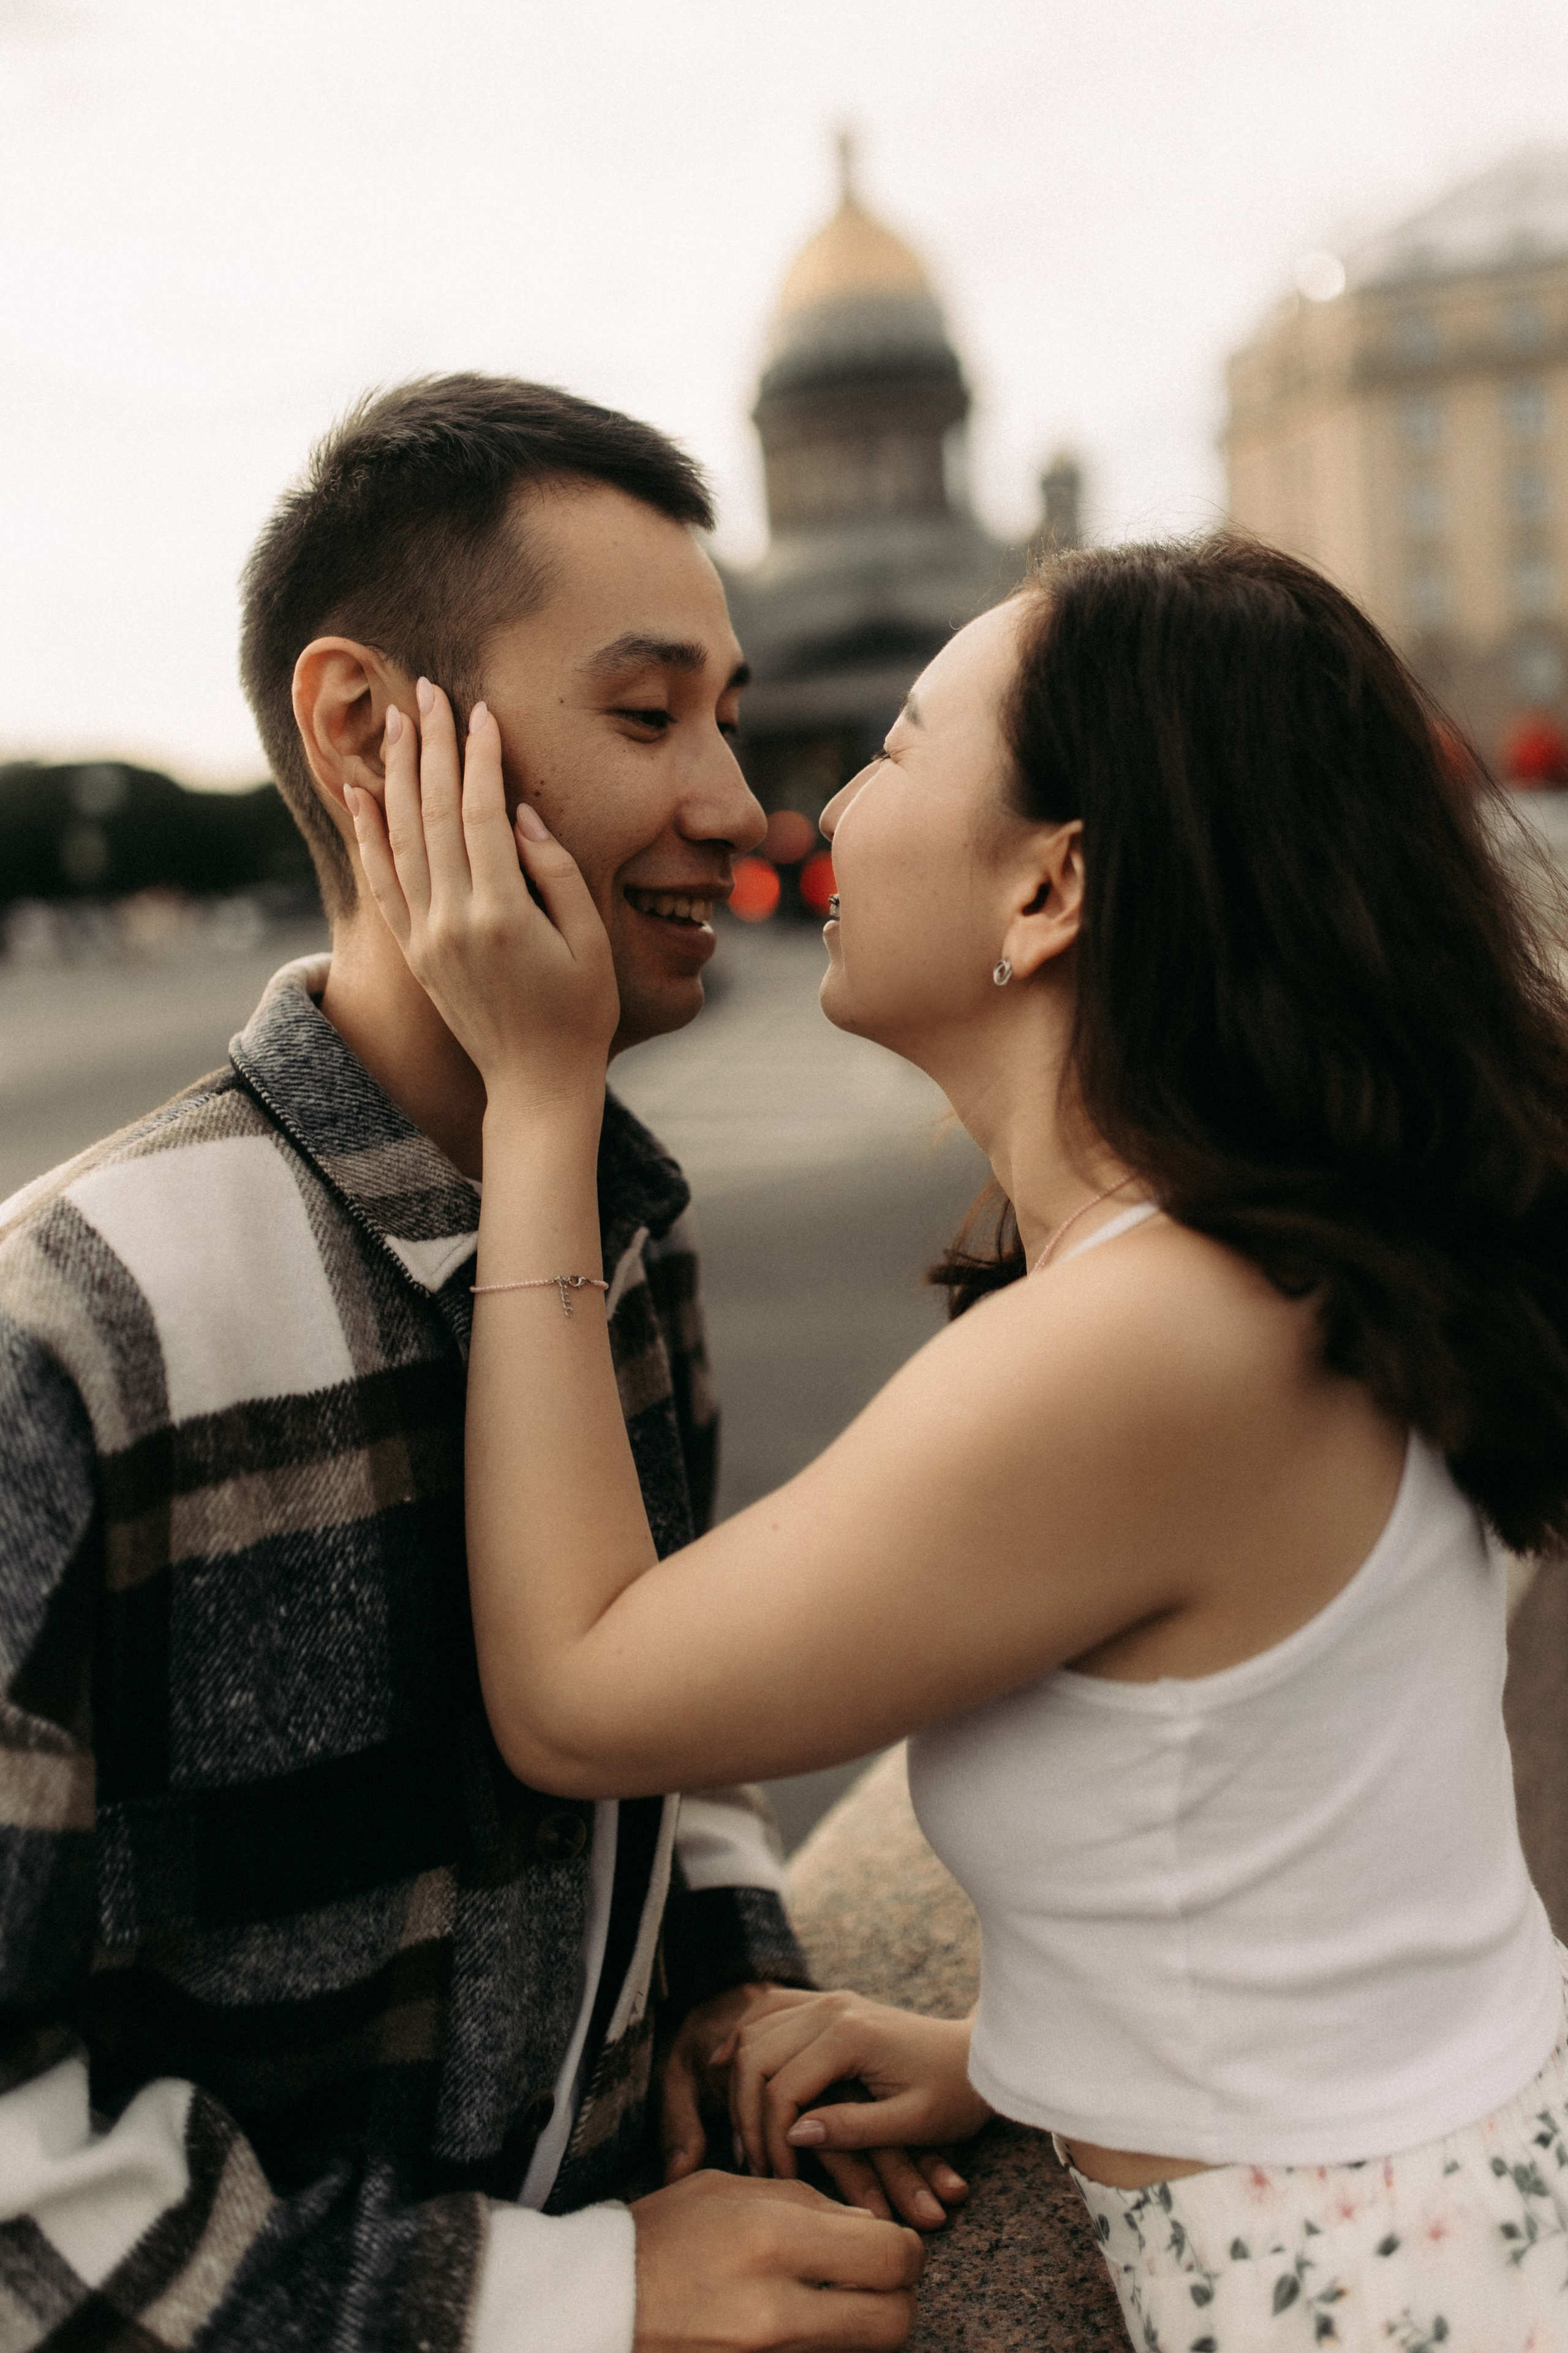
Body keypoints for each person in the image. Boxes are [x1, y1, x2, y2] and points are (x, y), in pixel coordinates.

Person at [349, 532, 1568, 2350]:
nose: (819, 801)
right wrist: (1013, 2047)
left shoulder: (1156, 1334)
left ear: (1054, 884)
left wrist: (540, 1092)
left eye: (900, 747)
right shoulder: (1277, 1258)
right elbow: (1302, 1821)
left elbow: (580, 1692)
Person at [0, 375, 933, 2353]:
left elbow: (678, 1710)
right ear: (366, 733)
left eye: (733, 713)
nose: (737, 802)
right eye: (645, 708)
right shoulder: (68, 1325)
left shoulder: (610, 1213)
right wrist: (559, 2299)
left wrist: (731, 1983)